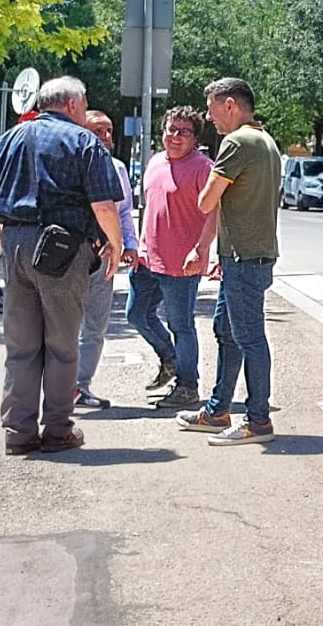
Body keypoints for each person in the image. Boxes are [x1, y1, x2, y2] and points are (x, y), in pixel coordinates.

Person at [0, 77, 124, 455]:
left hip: (15, 244)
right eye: (84, 104)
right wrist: (115, 244)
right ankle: (58, 429)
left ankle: (18, 432)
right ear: (71, 105)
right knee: (63, 344)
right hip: (63, 248)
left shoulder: (10, 138)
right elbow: (103, 205)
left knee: (21, 344)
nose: (84, 111)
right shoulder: (84, 142)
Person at [176, 77, 282, 446]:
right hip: (246, 255)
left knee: (249, 337)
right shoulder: (266, 141)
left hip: (244, 258)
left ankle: (258, 422)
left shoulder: (237, 142)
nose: (209, 116)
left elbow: (207, 201)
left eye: (212, 107)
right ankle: (218, 410)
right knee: (226, 330)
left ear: (231, 105)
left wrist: (208, 190)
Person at [128, 106, 215, 410]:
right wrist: (137, 247)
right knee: (136, 314)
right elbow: (150, 210)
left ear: (195, 138)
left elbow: (215, 213)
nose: (175, 136)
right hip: (147, 259)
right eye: (170, 129)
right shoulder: (153, 162)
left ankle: (187, 386)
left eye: (184, 131)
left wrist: (202, 249)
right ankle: (170, 359)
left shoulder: (203, 167)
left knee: (181, 325)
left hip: (182, 262)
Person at [72, 110, 137, 409]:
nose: (106, 137)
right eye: (98, 131)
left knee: (96, 326)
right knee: (64, 327)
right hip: (69, 258)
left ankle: (81, 386)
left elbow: (123, 212)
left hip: (103, 256)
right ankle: (60, 388)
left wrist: (128, 245)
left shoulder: (117, 168)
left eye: (109, 131)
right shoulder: (68, 163)